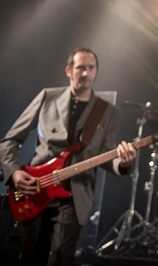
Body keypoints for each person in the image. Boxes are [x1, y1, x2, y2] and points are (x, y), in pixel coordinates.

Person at [0, 47, 137, 266]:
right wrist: (15, 173)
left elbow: (106, 154)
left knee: (63, 254)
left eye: (91, 68)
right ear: (68, 70)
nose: (86, 73)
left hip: (75, 194)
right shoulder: (48, 97)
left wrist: (123, 163)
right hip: (36, 187)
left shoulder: (107, 111)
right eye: (81, 68)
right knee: (31, 255)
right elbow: (9, 140)